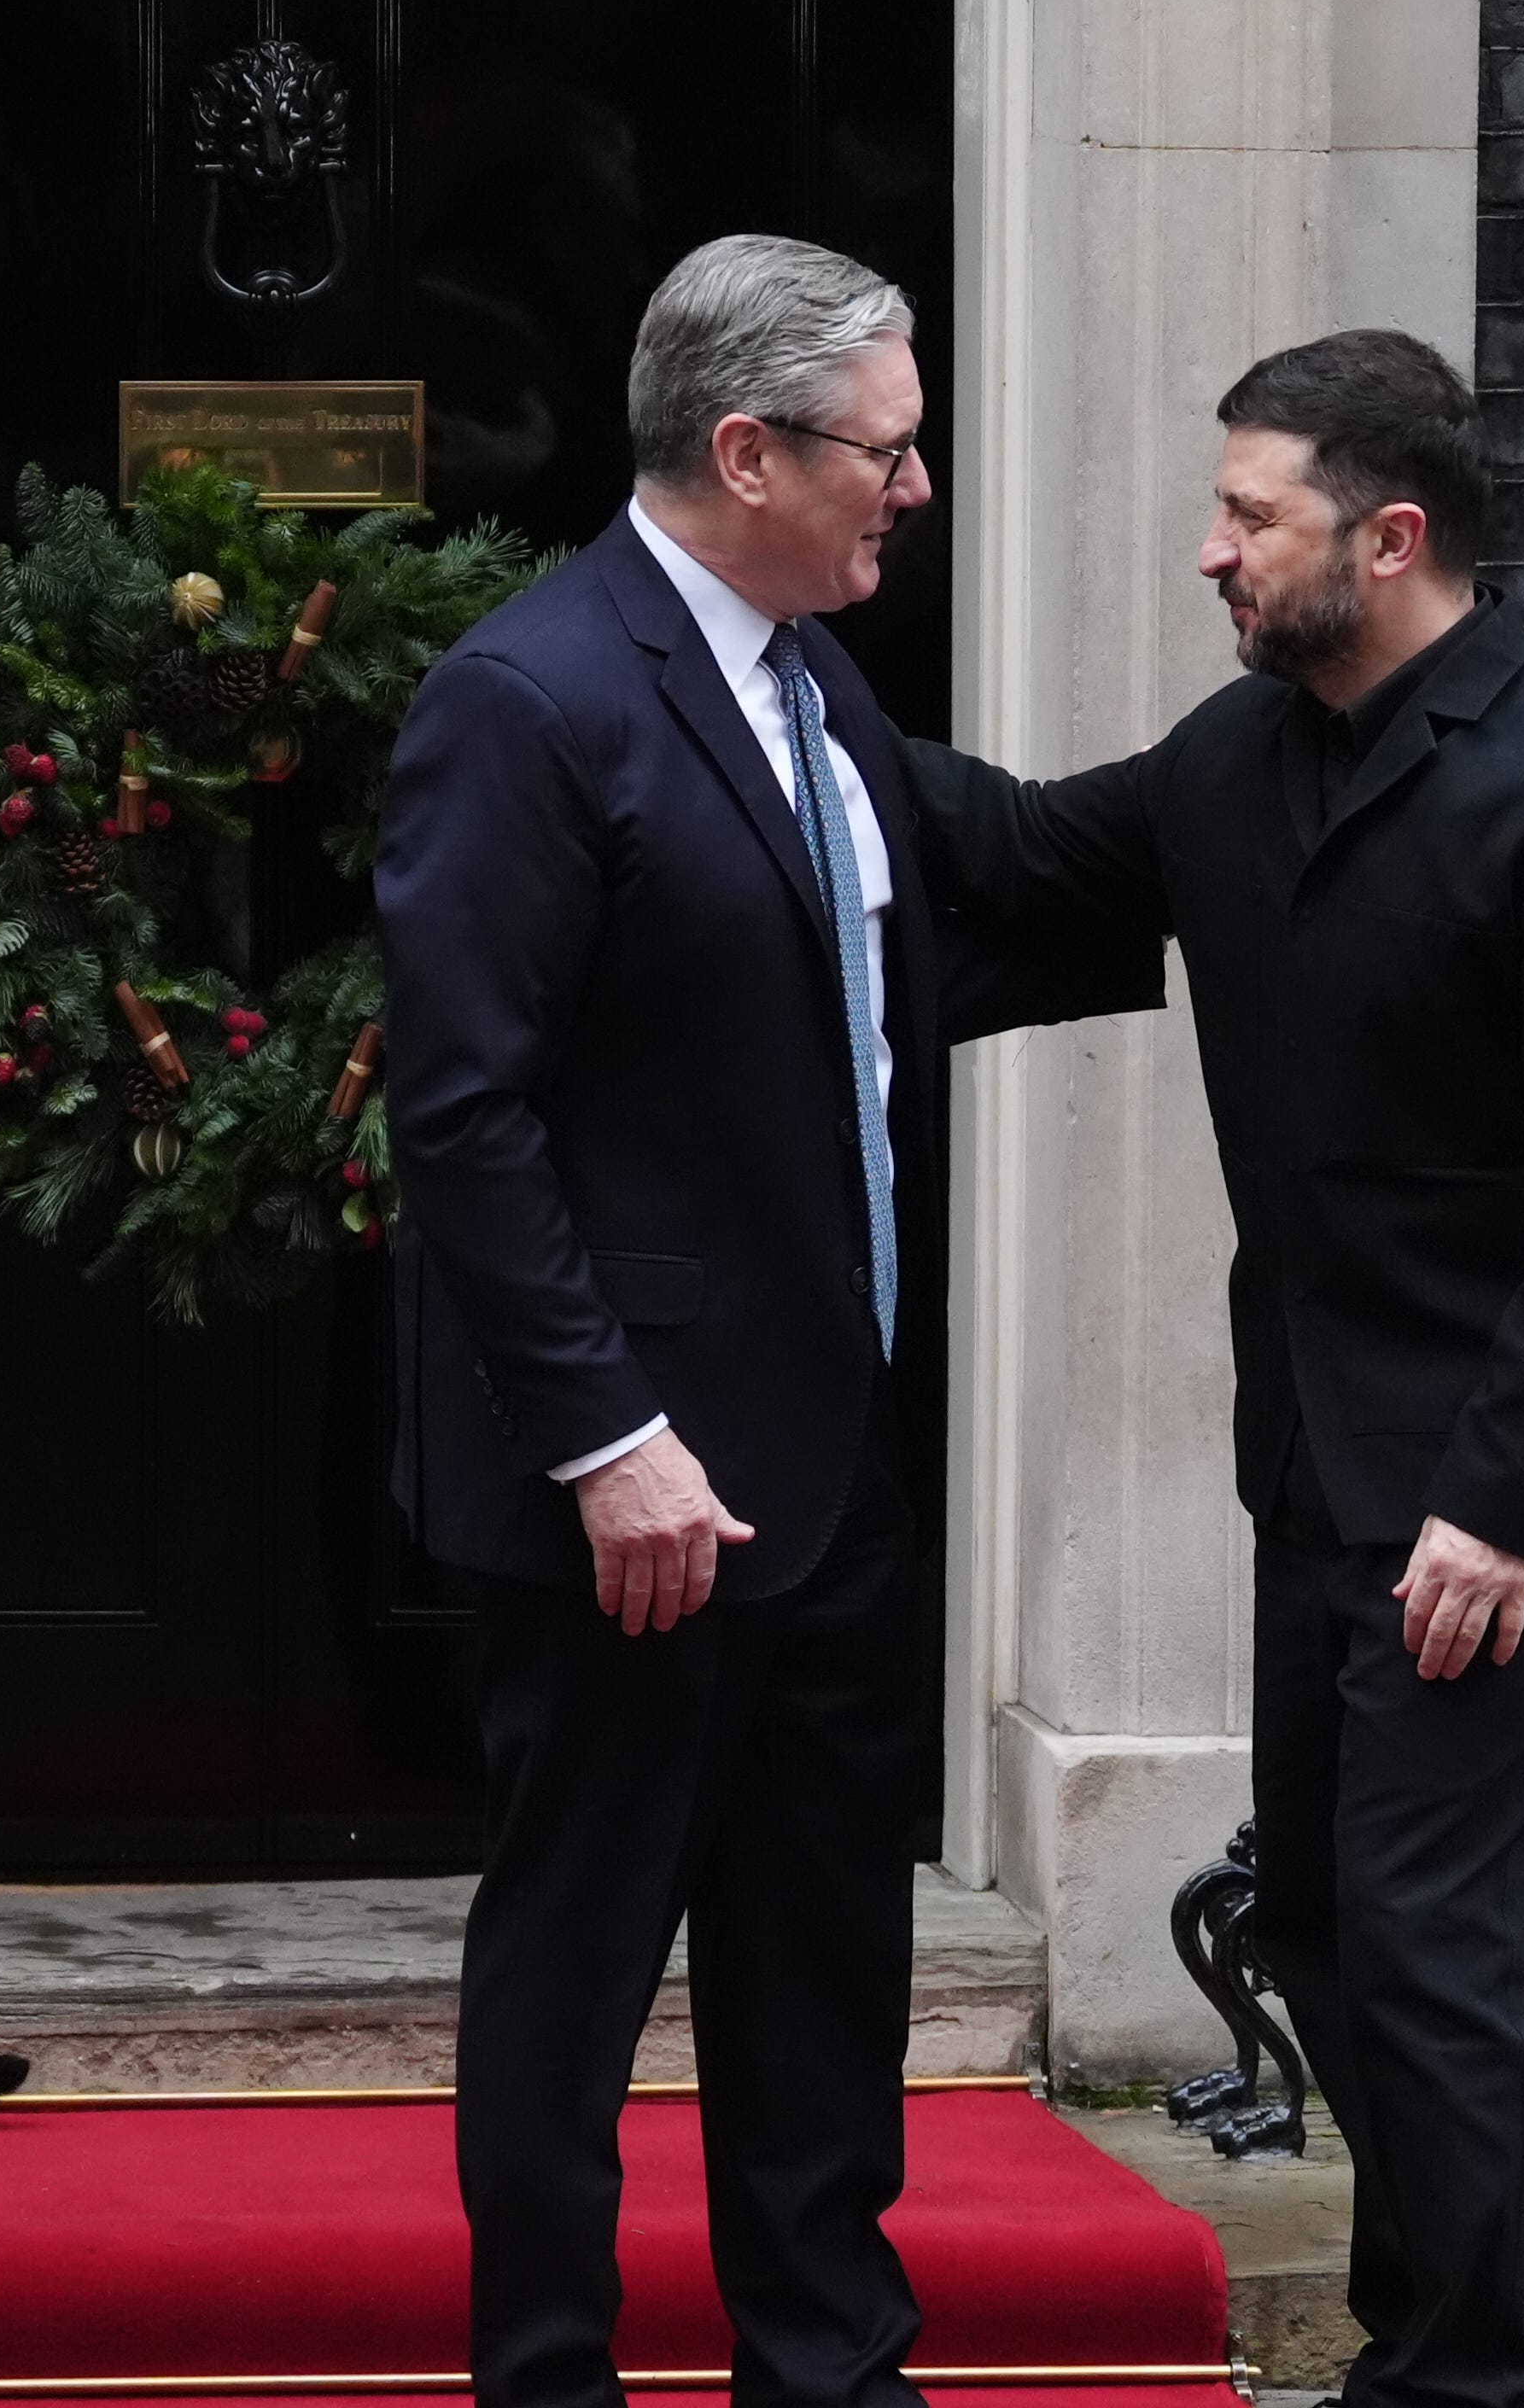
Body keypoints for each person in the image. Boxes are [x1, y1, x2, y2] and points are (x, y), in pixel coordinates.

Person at [907, 329, 1524, 2408]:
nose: (1213, 551)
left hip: (1484, 1503)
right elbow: (1014, 854)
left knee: (1434, 1942)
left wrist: (1502, 1504)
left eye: (1248, 516)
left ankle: (1459, 2376)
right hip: (1314, 1467)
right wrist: (777, 677)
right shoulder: (1241, 761)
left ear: (1390, 537)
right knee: (1337, 1931)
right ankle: (1418, 2338)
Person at [379, 236, 1032, 2408]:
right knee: (576, 1969)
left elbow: (910, 958)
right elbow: (464, 1115)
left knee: (824, 1960)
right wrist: (605, 1439)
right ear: (746, 453)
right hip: (634, 1500)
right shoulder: (531, 697)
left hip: (833, 1471)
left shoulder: (815, 683)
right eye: (887, 448)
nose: (915, 486)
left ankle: (830, 2374)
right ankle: (548, 2381)